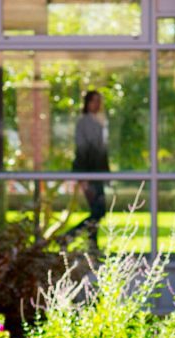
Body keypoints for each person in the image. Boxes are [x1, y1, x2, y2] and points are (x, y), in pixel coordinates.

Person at [68, 90, 110, 244]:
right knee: (98, 211)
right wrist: (83, 176)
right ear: (87, 103)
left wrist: (107, 174)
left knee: (98, 211)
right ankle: (68, 237)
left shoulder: (99, 122)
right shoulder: (84, 122)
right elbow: (82, 149)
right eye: (94, 101)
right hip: (89, 174)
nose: (98, 104)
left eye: (100, 101)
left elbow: (102, 152)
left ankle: (92, 245)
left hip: (98, 173)